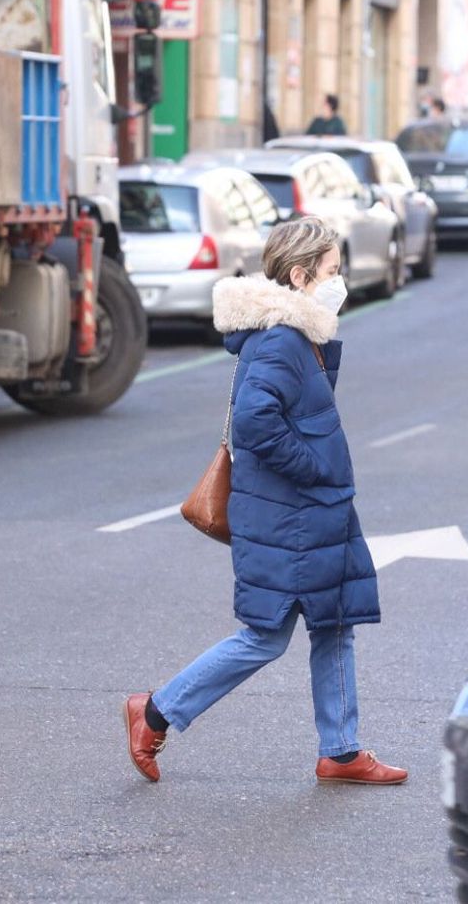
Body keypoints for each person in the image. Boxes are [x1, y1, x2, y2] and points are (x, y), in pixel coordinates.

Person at [123, 218, 406, 786]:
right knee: (266, 635)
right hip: (291, 515)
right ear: (300, 276)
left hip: (308, 511)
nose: (340, 281)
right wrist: (316, 470)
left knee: (334, 621)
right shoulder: (282, 339)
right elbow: (256, 423)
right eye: (332, 271)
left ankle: (341, 751)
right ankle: (155, 711)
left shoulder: (296, 335)